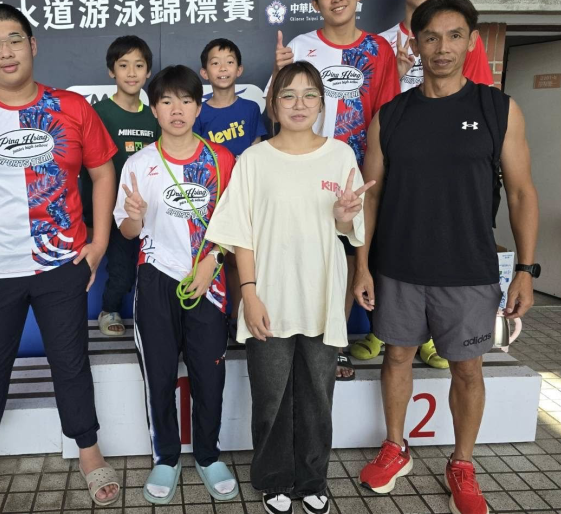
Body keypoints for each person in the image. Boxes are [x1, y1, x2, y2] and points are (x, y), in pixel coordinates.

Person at [0, 3, 121, 510]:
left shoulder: (71, 107)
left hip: (60, 264)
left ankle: (90, 452)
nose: (6, 51)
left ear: (32, 45)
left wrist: (99, 242)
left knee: (70, 363)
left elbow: (102, 171)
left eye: (15, 38)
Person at [354, 0, 539, 514]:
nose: (442, 47)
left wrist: (526, 270)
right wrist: (362, 265)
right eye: (430, 37)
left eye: (455, 35)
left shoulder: (498, 109)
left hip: (469, 270)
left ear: (472, 41)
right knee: (396, 357)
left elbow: (522, 193)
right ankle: (396, 448)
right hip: (398, 266)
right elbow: (370, 197)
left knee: (468, 370)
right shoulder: (391, 116)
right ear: (415, 44)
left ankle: (461, 463)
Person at [208, 60, 372, 514]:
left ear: (321, 104)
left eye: (309, 95)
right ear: (273, 104)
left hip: (321, 296)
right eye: (288, 95)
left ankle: (313, 478)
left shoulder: (340, 155)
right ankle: (274, 479)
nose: (299, 104)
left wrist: (344, 216)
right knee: (271, 399)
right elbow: (239, 233)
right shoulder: (254, 160)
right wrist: (250, 293)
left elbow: (349, 230)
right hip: (268, 298)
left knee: (318, 395)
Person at [352, 0, 495, 369]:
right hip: (397, 160)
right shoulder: (380, 44)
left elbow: (481, 102)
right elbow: (375, 105)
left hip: (451, 165)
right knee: (392, 239)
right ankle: (385, 329)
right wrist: (396, 75)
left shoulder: (466, 43)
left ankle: (433, 336)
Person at [267, 0, 400, 380]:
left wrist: (377, 170)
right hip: (305, 171)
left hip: (357, 173)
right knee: (304, 255)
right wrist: (279, 72)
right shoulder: (300, 46)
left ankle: (336, 343)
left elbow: (388, 114)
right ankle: (293, 337)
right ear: (315, 2)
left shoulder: (378, 49)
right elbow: (277, 109)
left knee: (344, 258)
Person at [114, 65, 238, 505]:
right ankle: (165, 458)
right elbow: (128, 231)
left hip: (209, 282)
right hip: (156, 281)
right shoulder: (139, 164)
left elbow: (236, 223)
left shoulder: (222, 161)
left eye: (186, 100)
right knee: (160, 374)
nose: (177, 109)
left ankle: (208, 455)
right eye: (166, 101)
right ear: (154, 110)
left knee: (209, 375)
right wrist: (133, 215)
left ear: (199, 107)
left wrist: (211, 262)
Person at [80, 35, 158, 337]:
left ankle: (154, 316)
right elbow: (86, 169)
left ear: (148, 71)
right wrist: (90, 216)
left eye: (139, 65)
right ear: (111, 71)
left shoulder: (155, 116)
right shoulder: (97, 114)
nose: (131, 72)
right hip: (110, 211)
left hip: (149, 210)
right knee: (121, 268)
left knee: (152, 268)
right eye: (123, 65)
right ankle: (109, 309)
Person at [196, 37, 267, 329]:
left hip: (245, 195)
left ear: (239, 69)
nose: (223, 68)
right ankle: (217, 317)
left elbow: (258, 149)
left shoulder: (250, 109)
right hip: (213, 195)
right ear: (205, 72)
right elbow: (196, 156)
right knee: (214, 254)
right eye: (215, 63)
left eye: (229, 62)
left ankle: (239, 317)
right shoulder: (199, 111)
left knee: (241, 258)